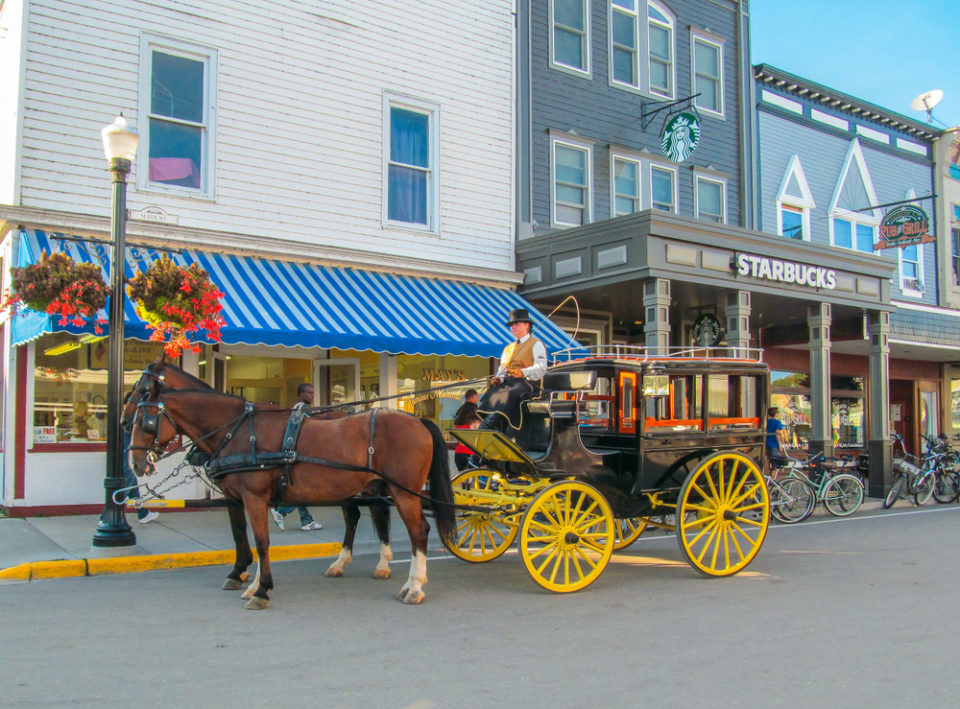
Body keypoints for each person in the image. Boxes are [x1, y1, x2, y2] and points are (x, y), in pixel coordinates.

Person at [477, 308, 548, 433]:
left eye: (517, 324)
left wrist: (523, 372)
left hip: (528, 384)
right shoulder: (508, 348)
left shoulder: (536, 344)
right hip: (510, 383)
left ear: (527, 325)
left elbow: (541, 368)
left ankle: (487, 426)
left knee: (507, 394)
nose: (513, 327)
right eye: (511, 325)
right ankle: (494, 428)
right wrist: (498, 378)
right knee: (492, 393)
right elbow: (503, 368)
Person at [270, 382, 323, 532]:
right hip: (299, 455)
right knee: (305, 489)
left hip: (297, 454)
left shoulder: (299, 408)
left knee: (301, 489)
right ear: (301, 394)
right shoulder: (301, 409)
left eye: (313, 393)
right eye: (309, 393)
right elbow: (296, 432)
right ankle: (281, 511)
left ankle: (307, 521)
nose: (312, 396)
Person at [122, 392, 159, 524]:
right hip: (128, 455)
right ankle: (107, 517)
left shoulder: (125, 416)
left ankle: (143, 513)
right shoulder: (132, 418)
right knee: (126, 486)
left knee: (132, 487)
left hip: (125, 454)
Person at [453, 389, 481, 471]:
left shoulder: (460, 411)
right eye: (477, 397)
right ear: (472, 397)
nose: (477, 399)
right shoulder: (475, 411)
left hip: (459, 452)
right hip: (471, 453)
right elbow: (478, 430)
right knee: (473, 481)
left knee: (461, 480)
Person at [766, 406, 788, 473]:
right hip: (774, 444)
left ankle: (770, 477)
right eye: (778, 412)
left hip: (767, 444)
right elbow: (777, 432)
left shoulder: (767, 422)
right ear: (776, 414)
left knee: (771, 461)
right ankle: (773, 478)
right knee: (776, 463)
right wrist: (780, 444)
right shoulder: (778, 422)